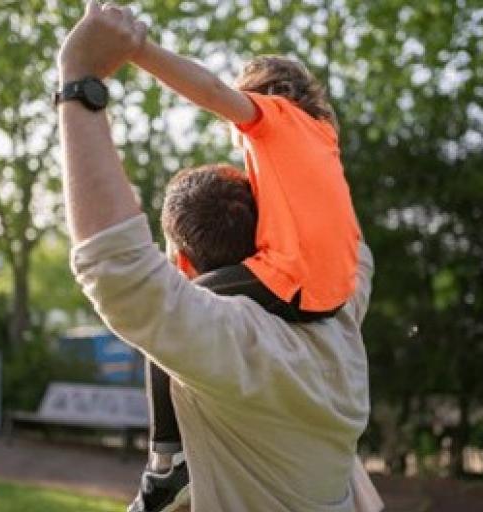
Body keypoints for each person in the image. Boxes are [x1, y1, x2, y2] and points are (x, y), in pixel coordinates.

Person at [57, 2, 376, 511]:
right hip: (300, 289)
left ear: (180, 260)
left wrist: (84, 74)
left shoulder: (233, 345)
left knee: (161, 334)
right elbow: (341, 226)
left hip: (267, 285)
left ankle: (167, 458)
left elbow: (122, 274)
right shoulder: (343, 314)